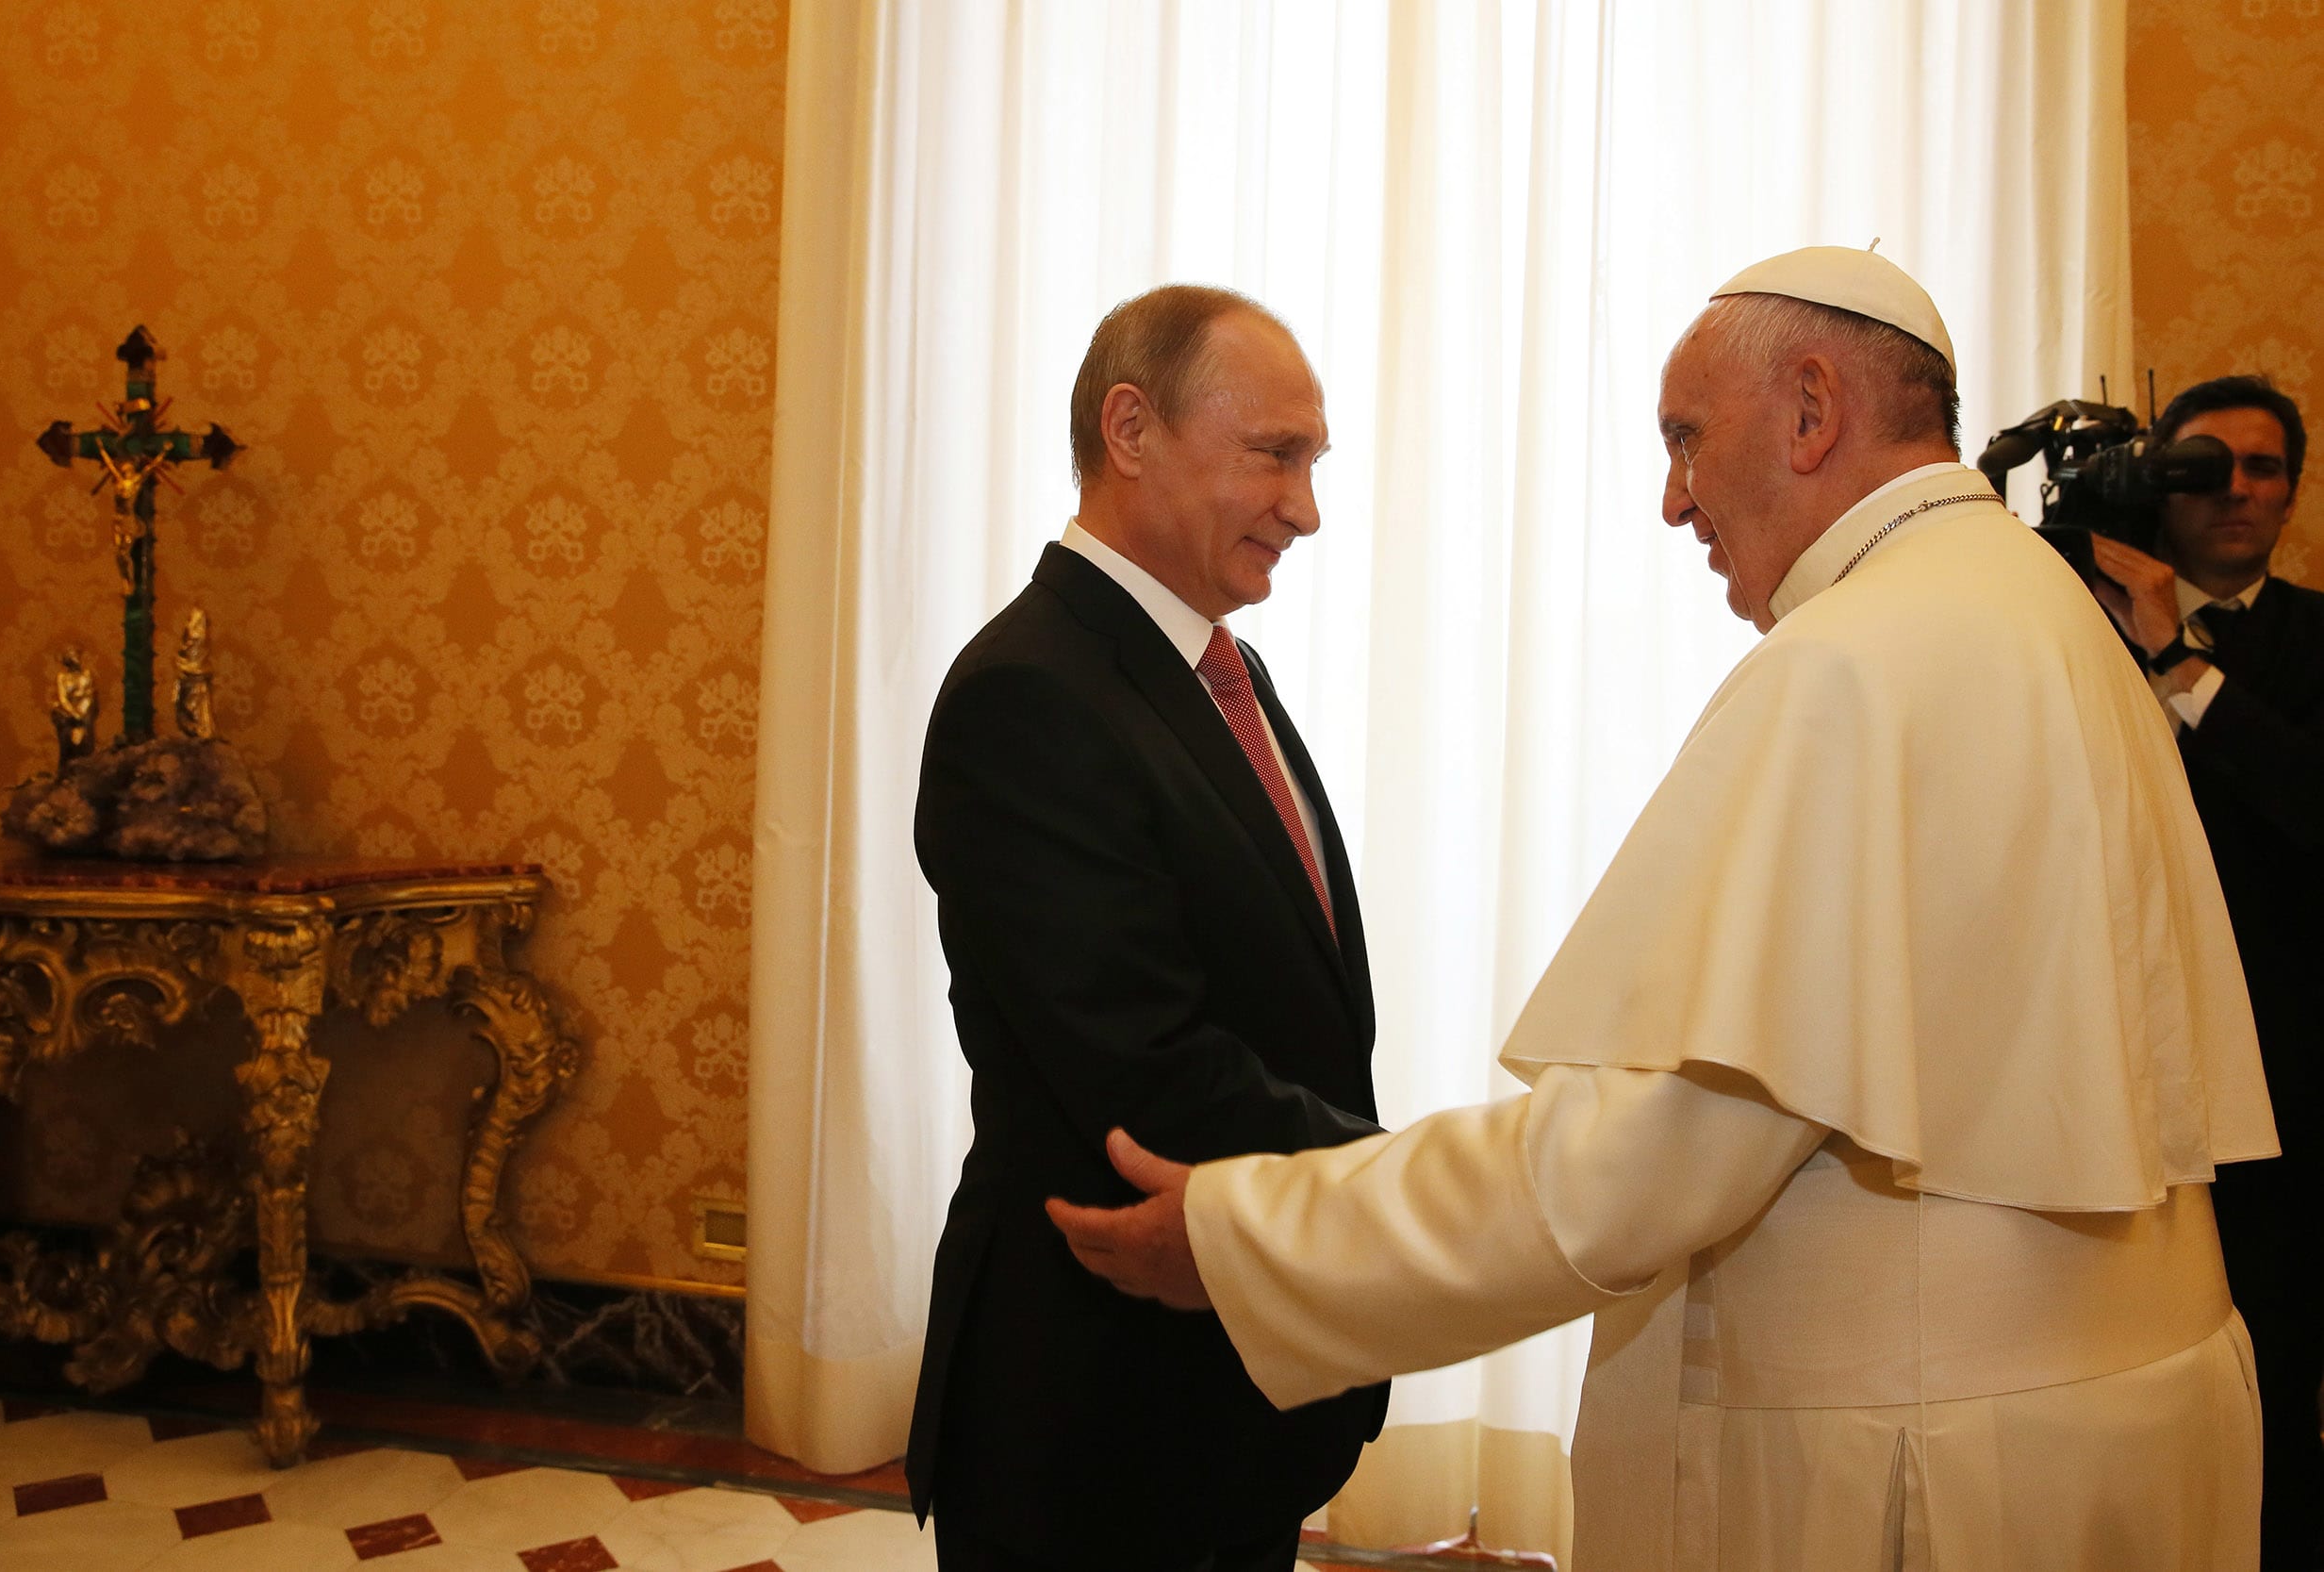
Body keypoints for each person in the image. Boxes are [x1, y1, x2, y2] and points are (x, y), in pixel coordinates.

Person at [1049, 249, 2278, 1570]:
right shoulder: (2045, 606)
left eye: (1686, 437)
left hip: (1924, 1458)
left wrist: (1255, 1243)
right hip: (2116, 1420)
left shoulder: (1853, 659)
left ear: (1812, 409)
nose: (1673, 496)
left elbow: (1637, 1157)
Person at [908, 284, 1388, 1572]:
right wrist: (1408, 1192)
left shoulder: (1215, 666)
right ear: (1131, 430)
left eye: (1313, 461)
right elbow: (1147, 1069)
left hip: (1222, 1392)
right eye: (1274, 455)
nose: (1305, 506)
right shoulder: (1028, 693)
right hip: (1101, 1417)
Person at [2085, 374, 2321, 1570]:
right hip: (2107, 1074)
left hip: (2285, 1088)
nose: (2234, 489)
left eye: (2263, 466)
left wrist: (2179, 659)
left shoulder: (2316, 637)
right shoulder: (2070, 637)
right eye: (2202, 465)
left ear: (2293, 491)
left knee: (2274, 1384)